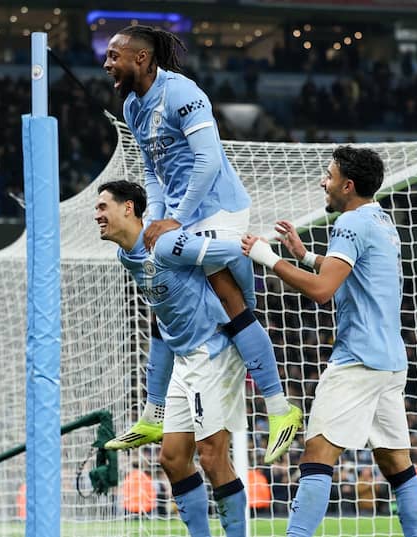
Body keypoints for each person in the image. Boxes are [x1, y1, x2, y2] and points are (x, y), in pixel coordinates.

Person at [227, 146, 417, 537]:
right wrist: (305, 256)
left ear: (348, 185)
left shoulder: (349, 223)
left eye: (329, 176)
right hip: (390, 361)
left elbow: (324, 291)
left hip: (357, 360)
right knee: (397, 464)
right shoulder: (380, 221)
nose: (323, 182)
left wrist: (268, 258)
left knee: (317, 455)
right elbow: (348, 272)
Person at [101, 25, 301, 463]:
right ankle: (155, 413)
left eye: (114, 55)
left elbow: (209, 161)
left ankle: (278, 406)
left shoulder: (182, 92)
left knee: (225, 297)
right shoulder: (133, 106)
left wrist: (175, 219)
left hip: (219, 209)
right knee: (166, 293)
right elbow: (152, 171)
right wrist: (155, 218)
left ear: (141, 58)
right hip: (182, 215)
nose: (106, 63)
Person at [94, 180, 255, 537]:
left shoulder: (166, 243)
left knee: (212, 456)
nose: (97, 215)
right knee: (172, 458)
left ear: (129, 208)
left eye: (103, 206)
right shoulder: (126, 255)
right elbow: (162, 318)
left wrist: (247, 307)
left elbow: (232, 252)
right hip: (185, 357)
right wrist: (155, 395)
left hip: (214, 350)